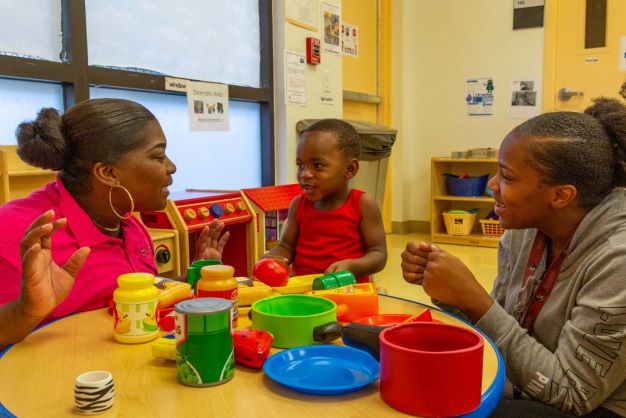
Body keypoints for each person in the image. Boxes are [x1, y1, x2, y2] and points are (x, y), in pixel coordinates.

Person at [401, 97, 626, 417]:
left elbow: (572, 395)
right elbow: (504, 329)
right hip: (530, 380)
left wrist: (475, 300)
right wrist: (450, 293)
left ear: (560, 196)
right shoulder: (524, 228)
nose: (491, 185)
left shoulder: (617, 258)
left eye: (507, 176)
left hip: (592, 404)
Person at [0, 98, 229, 350]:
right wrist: (26, 311)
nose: (171, 167)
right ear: (108, 173)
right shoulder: (16, 231)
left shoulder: (127, 222)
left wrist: (197, 274)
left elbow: (138, 296)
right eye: (159, 156)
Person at [263, 119, 387, 282]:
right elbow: (286, 246)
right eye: (300, 165)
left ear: (350, 169)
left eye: (317, 165)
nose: (304, 174)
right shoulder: (298, 205)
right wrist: (272, 259)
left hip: (348, 293)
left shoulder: (363, 204)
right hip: (304, 292)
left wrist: (352, 266)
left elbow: (378, 254)